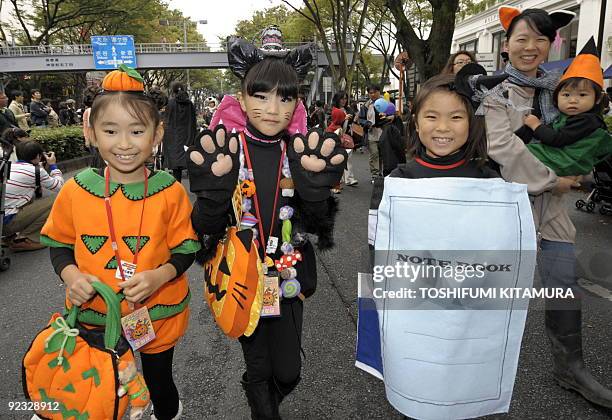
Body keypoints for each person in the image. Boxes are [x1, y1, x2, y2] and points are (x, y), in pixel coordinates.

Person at [187, 27, 346, 419]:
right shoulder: (227, 153)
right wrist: (212, 194)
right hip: (242, 276)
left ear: (296, 103)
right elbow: (203, 234)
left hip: (288, 278)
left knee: (289, 372)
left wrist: (317, 195)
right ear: (241, 98)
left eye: (284, 97)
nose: (272, 108)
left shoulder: (301, 152)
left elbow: (320, 230)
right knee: (259, 366)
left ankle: (266, 397)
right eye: (260, 96)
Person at [40, 65, 201, 420]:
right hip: (95, 315)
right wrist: (71, 277)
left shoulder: (170, 191)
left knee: (160, 383)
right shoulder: (75, 190)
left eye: (137, 131)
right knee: (103, 384)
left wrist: (160, 276)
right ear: (92, 133)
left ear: (157, 134)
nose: (124, 144)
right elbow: (60, 244)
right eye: (110, 131)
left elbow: (187, 248)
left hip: (157, 313)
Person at [483, 6, 612, 408]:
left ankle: (570, 367)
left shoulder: (560, 89)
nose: (531, 47)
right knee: (491, 288)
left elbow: (577, 141)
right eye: (522, 39)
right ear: (507, 45)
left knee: (563, 282)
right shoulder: (494, 92)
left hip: (552, 207)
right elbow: (500, 147)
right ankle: (473, 366)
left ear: (551, 44)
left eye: (540, 39)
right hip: (507, 204)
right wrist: (552, 179)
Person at [520, 37, 612, 176]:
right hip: (564, 159)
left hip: (566, 160)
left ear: (598, 99)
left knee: (520, 152)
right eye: (566, 95)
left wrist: (536, 125)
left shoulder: (587, 120)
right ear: (556, 97)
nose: (573, 100)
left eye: (582, 95)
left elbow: (557, 139)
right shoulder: (569, 116)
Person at [4, 140, 64, 252]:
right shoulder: (35, 171)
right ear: (38, 156)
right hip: (7, 224)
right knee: (59, 200)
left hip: (3, 219)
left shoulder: (9, 166)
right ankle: (26, 238)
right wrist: (53, 165)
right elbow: (60, 187)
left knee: (28, 197)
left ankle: (10, 237)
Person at [162, 81, 196, 182]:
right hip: (187, 136)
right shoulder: (189, 103)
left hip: (173, 138)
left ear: (173, 90)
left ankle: (178, 188)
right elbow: (193, 121)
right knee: (189, 161)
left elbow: (167, 121)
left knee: (176, 167)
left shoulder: (171, 103)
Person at [331, 91, 358, 189]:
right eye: (342, 98)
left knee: (348, 156)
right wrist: (344, 118)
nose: (344, 100)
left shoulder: (348, 109)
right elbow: (333, 123)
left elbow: (353, 120)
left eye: (345, 98)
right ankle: (340, 179)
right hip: (336, 135)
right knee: (338, 158)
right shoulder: (333, 110)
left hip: (346, 135)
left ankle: (349, 179)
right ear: (337, 99)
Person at [363, 84, 383, 181]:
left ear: (379, 92)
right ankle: (375, 175)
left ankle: (383, 173)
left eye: (375, 92)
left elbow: (393, 114)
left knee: (383, 154)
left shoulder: (386, 102)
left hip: (384, 132)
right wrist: (366, 123)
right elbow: (361, 118)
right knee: (374, 154)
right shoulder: (366, 105)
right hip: (372, 133)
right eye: (371, 93)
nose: (373, 94)